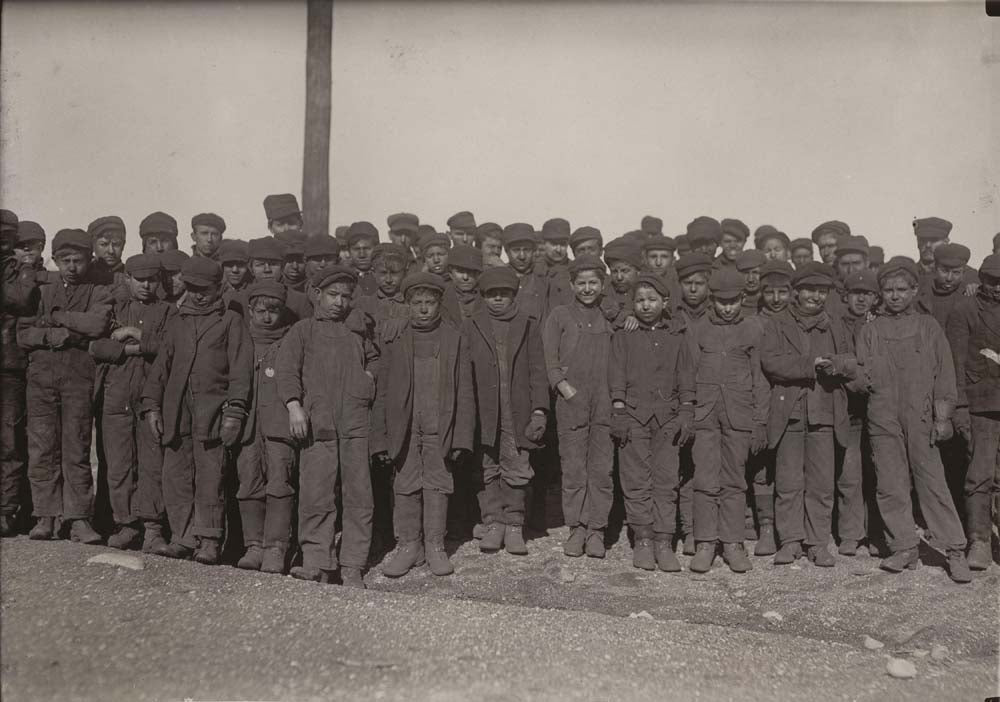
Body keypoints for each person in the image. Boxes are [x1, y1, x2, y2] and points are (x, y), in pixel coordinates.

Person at [849, 256, 970, 583]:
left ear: (915, 290)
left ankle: (955, 550)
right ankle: (904, 546)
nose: (895, 295)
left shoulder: (928, 327)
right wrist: (850, 372)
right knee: (890, 483)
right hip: (883, 417)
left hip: (920, 417)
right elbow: (862, 374)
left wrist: (942, 417)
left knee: (932, 481)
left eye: (902, 289)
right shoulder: (871, 330)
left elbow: (944, 375)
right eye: (888, 290)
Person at [141, 257, 253, 564]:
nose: (198, 294)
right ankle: (183, 536)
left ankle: (210, 540)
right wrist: (152, 406)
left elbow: (241, 371)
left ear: (219, 288)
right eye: (192, 288)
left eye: (204, 289)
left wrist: (235, 411)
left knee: (210, 477)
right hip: (177, 412)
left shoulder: (231, 321)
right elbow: (161, 369)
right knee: (175, 476)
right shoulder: (178, 322)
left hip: (213, 413)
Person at [371, 272, 474, 578]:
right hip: (405, 428)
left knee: (438, 485)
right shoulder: (396, 341)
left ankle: (435, 547)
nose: (424, 309)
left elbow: (465, 391)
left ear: (440, 304)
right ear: (408, 305)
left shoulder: (454, 340)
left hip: (439, 427)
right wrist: (380, 438)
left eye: (430, 303)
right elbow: (383, 392)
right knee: (405, 485)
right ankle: (408, 546)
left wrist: (461, 438)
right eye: (418, 303)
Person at [18, 228, 112, 543]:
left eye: (79, 260)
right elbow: (23, 333)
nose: (72, 266)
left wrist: (56, 317)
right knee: (42, 446)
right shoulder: (41, 290)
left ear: (89, 260)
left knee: (76, 446)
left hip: (79, 376)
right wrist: (53, 334)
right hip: (41, 377)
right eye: (66, 260)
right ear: (56, 260)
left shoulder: (98, 290)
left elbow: (97, 324)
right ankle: (45, 516)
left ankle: (78, 518)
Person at [761, 262, 856, 567]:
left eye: (822, 291)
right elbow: (771, 362)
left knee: (821, 483)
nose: (815, 296)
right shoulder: (776, 323)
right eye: (809, 290)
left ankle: (817, 543)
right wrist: (809, 364)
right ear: (796, 292)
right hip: (789, 412)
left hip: (824, 412)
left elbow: (852, 361)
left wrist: (837, 365)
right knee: (788, 481)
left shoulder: (837, 324)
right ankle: (789, 541)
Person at [685, 267, 769, 573]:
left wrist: (760, 421)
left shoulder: (754, 329)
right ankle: (706, 542)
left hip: (740, 413)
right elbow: (689, 374)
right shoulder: (697, 329)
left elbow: (760, 378)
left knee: (735, 479)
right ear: (711, 299)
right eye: (721, 301)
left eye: (733, 301)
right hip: (705, 414)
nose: (727, 307)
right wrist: (689, 412)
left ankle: (733, 544)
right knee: (705, 477)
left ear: (743, 298)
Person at [89, 253, 176, 551]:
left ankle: (153, 529)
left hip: (153, 398)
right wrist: (132, 351)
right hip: (116, 395)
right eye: (140, 280)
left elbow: (172, 346)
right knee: (119, 464)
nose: (147, 286)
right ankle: (127, 524)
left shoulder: (169, 311)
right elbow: (95, 345)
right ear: (127, 279)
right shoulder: (113, 308)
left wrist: (133, 335)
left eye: (153, 280)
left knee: (152, 462)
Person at [609, 273, 695, 571]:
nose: (646, 306)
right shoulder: (624, 335)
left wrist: (686, 412)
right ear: (632, 304)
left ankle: (663, 540)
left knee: (667, 480)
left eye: (652, 300)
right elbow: (617, 374)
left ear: (665, 302)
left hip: (667, 419)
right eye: (640, 300)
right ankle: (643, 539)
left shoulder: (677, 336)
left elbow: (685, 377)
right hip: (633, 416)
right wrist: (618, 411)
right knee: (635, 479)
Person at [465, 266, 548, 555]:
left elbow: (538, 370)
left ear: (514, 295)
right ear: (483, 296)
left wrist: (539, 410)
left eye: (504, 294)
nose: (498, 299)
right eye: (491, 294)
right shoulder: (472, 324)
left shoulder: (528, 324)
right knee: (486, 468)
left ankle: (514, 524)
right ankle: (493, 522)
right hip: (485, 411)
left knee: (516, 468)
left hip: (517, 411)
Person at [543, 255, 614, 558]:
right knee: (573, 468)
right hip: (571, 400)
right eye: (581, 283)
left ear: (602, 285)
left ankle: (597, 530)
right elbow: (549, 360)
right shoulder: (559, 315)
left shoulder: (610, 316)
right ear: (572, 285)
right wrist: (566, 389)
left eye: (593, 282)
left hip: (604, 401)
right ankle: (577, 528)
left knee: (601, 468)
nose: (587, 288)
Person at [233, 280, 297, 574]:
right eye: (261, 311)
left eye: (274, 311)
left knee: (279, 483)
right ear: (250, 310)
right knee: (248, 482)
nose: (267, 317)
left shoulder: (291, 340)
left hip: (279, 427)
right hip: (247, 426)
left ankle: (276, 548)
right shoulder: (240, 339)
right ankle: (254, 545)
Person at [946, 254, 1000, 571]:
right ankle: (979, 540)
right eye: (992, 281)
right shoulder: (964, 310)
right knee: (979, 474)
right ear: (981, 279)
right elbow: (955, 364)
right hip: (979, 407)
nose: (997, 288)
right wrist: (961, 408)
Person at [0, 210, 41, 536]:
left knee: (10, 441)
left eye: (8, 234)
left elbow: (21, 297)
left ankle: (7, 510)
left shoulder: (18, 269)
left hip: (9, 365)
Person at [837, 270, 880, 556]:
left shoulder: (881, 325)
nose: (861, 299)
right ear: (845, 296)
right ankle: (851, 533)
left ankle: (878, 532)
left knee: (880, 472)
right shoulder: (836, 326)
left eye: (867, 294)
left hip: (878, 408)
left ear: (876, 298)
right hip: (849, 408)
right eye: (856, 294)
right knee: (849, 472)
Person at [503, 223, 549, 320]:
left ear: (533, 251)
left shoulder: (544, 280)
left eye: (527, 250)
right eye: (516, 250)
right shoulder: (499, 277)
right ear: (507, 251)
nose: (522, 256)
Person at [443, 243, 483, 323]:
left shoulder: (486, 297)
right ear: (450, 273)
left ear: (478, 273)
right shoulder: (442, 298)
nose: (465, 277)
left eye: (471, 271)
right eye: (460, 271)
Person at [541, 218, 573, 310]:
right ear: (544, 243)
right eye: (553, 244)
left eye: (563, 244)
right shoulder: (533, 270)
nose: (558, 249)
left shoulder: (575, 271)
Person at [346, 222, 379, 296]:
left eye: (367, 248)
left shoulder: (385, 276)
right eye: (356, 249)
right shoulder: (343, 278)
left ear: (376, 249)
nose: (362, 255)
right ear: (349, 251)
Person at [218, 239, 251, 307]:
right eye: (229, 265)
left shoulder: (253, 290)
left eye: (240, 265)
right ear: (223, 266)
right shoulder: (216, 290)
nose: (235, 270)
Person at [736, 249, 766, 315]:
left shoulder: (771, 301)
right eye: (745, 273)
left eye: (756, 272)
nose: (750, 279)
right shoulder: (732, 304)